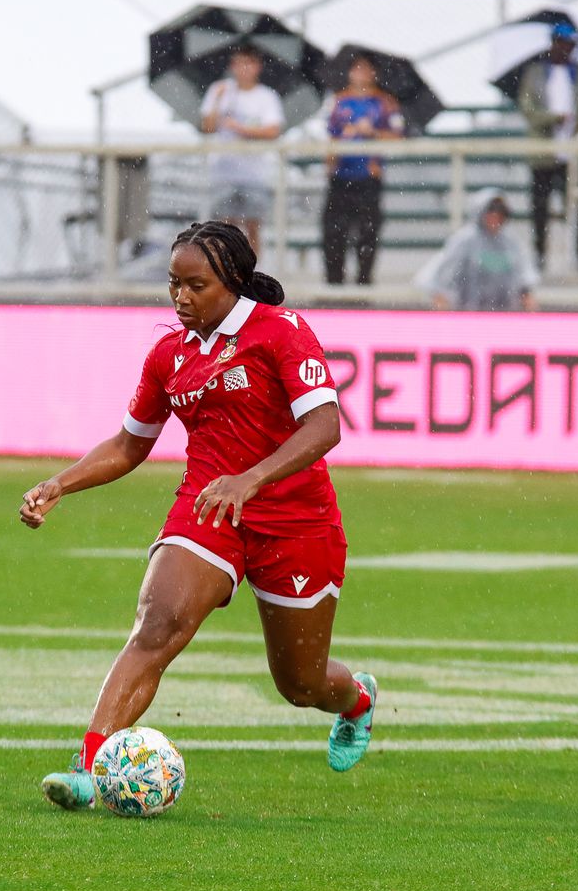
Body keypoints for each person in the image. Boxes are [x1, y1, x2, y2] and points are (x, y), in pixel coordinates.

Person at [19, 221, 376, 811]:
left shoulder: (281, 331)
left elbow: (325, 426)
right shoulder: (169, 354)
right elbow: (129, 444)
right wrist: (60, 483)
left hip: (296, 522)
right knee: (156, 626)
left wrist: (252, 478)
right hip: (209, 507)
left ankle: (357, 700)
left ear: (232, 281)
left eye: (196, 285)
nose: (181, 297)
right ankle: (88, 768)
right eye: (173, 284)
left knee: (301, 683)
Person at [516, 23, 578, 271]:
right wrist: (553, 118)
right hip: (543, 152)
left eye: (568, 44)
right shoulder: (536, 73)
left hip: (572, 153)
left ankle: (577, 256)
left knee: (574, 207)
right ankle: (540, 255)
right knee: (540, 208)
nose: (564, 49)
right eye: (560, 43)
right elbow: (528, 109)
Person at [322, 53, 404, 286]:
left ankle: (363, 284)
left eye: (366, 69)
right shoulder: (338, 101)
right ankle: (334, 285)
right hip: (340, 176)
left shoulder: (385, 102)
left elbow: (397, 137)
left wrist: (373, 133)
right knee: (334, 233)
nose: (361, 74)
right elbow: (329, 135)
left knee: (368, 233)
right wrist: (332, 156)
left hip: (368, 177)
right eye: (357, 68)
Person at [200, 45, 286, 255]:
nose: (244, 68)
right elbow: (207, 127)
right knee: (224, 228)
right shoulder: (219, 90)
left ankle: (251, 269)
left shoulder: (267, 96)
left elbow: (273, 130)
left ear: (258, 66)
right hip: (223, 171)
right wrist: (217, 100)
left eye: (249, 63)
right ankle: (226, 268)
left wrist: (241, 128)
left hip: (254, 173)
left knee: (252, 226)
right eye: (239, 63)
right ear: (232, 66)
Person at [414, 188, 540, 311]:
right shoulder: (464, 240)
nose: (495, 215)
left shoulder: (511, 243)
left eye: (501, 211)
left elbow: (524, 279)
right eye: (491, 209)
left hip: (504, 315)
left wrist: (527, 299)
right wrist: (443, 302)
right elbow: (444, 275)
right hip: (467, 314)